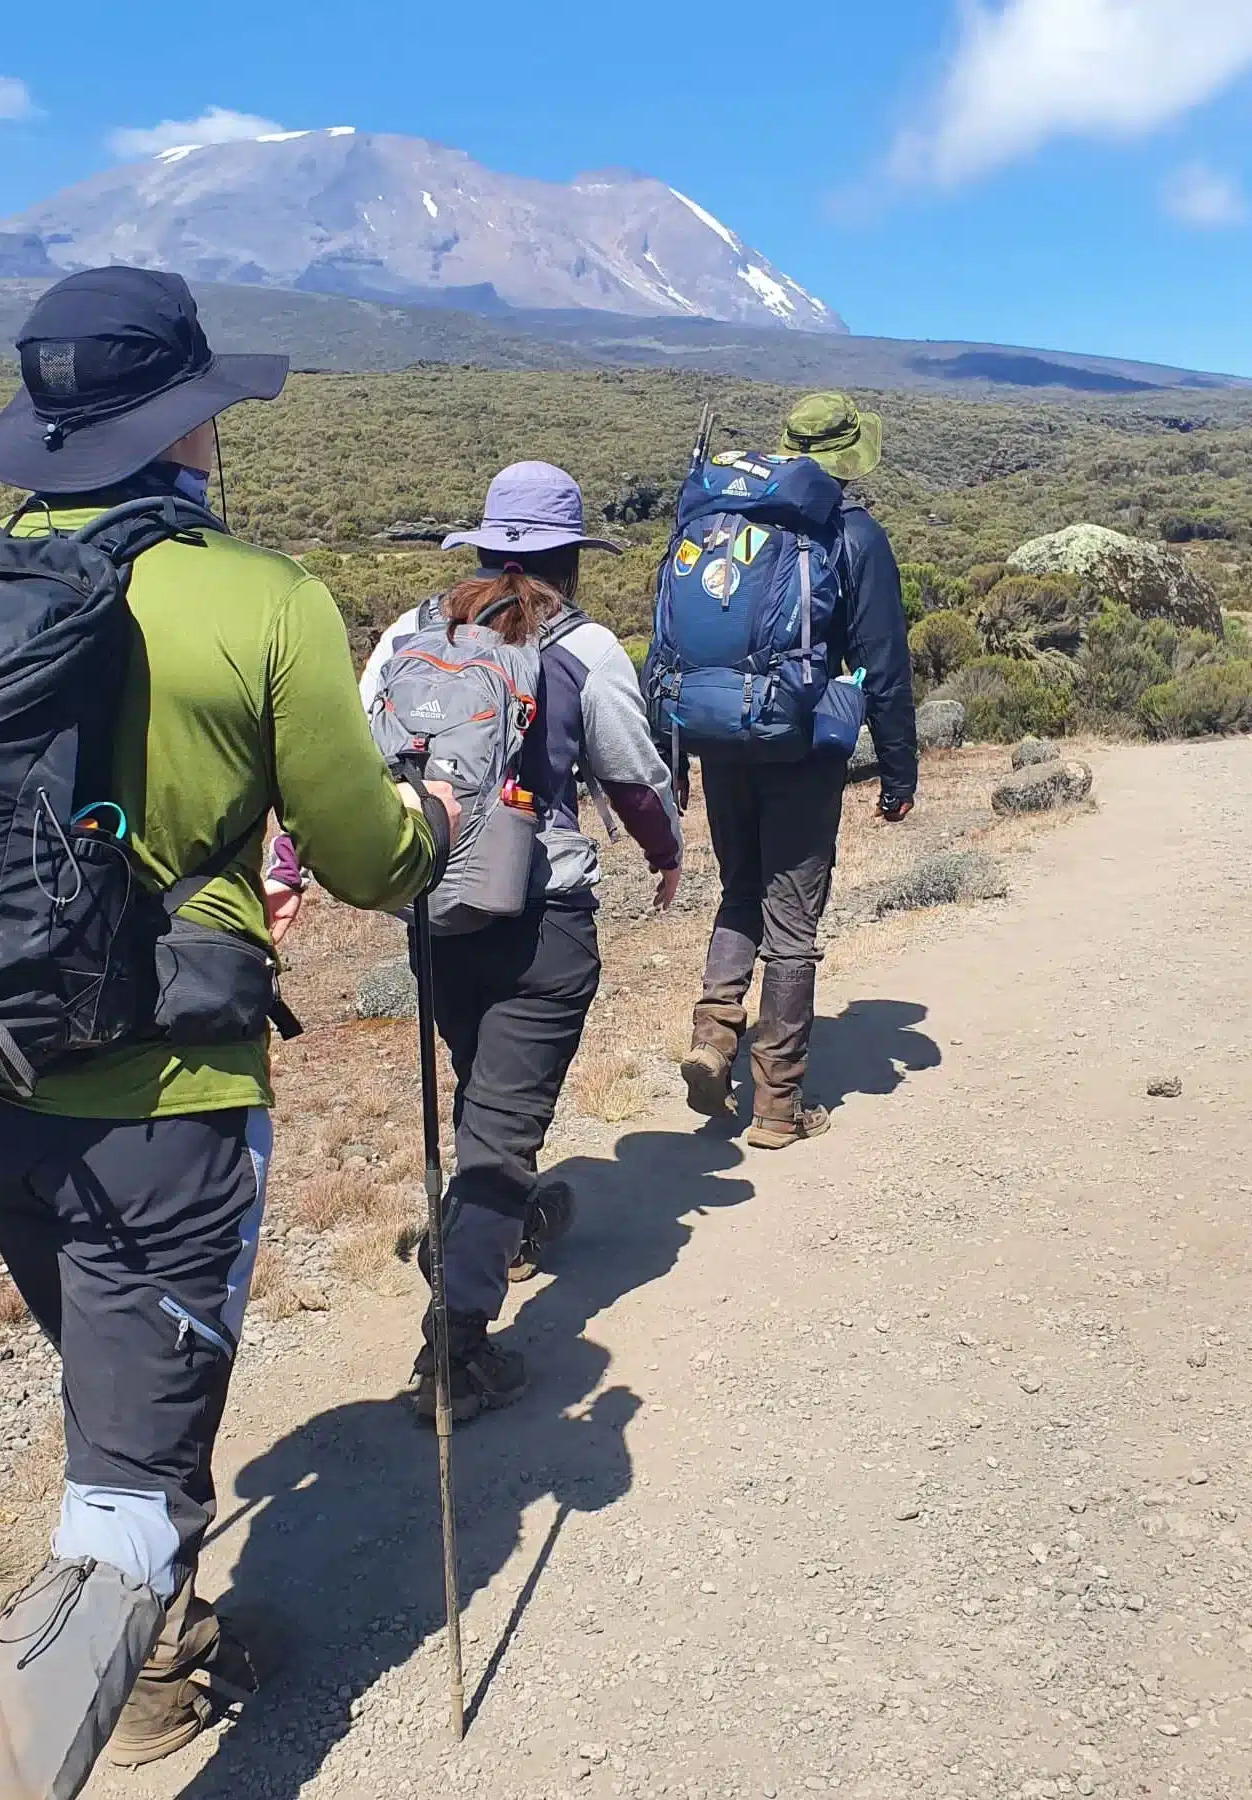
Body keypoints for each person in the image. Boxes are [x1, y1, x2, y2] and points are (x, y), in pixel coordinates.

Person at [0, 267, 457, 1800]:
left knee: (116, 1395)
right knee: (128, 1485)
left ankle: (161, 1638)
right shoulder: (264, 599)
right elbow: (365, 860)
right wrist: (425, 828)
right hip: (164, 1095)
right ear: (189, 425)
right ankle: (75, 1721)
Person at [364, 462, 682, 1420]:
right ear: (569, 558)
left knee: (484, 1092)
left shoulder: (409, 636)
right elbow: (630, 775)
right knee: (502, 1123)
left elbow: (355, 751)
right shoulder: (585, 649)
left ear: (488, 546)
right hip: (542, 918)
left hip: (440, 905)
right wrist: (665, 852)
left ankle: (500, 1223)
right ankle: (454, 1351)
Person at [680, 392, 917, 1148]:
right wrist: (898, 770)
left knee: (739, 888)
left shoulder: (731, 521)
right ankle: (777, 1105)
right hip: (806, 747)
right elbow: (884, 664)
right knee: (793, 921)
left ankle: (715, 1033)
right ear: (853, 457)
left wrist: (674, 753)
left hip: (721, 734)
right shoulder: (853, 534)